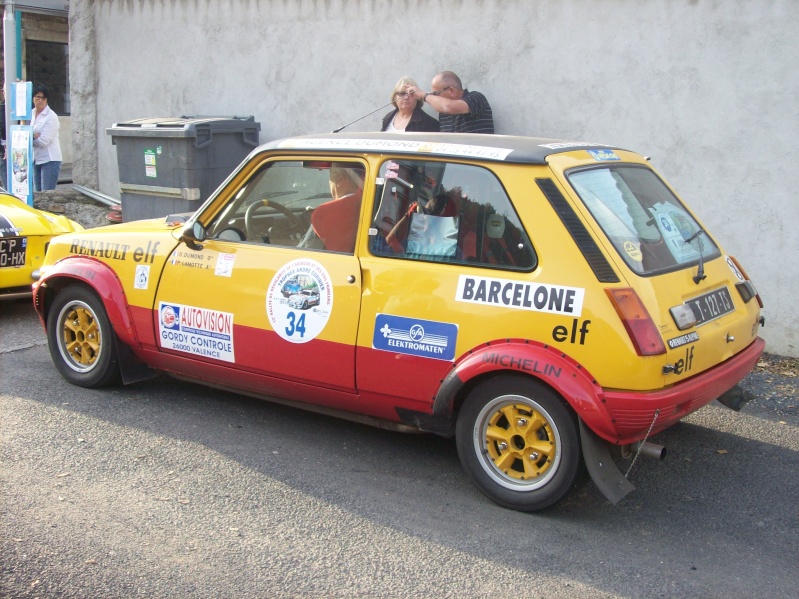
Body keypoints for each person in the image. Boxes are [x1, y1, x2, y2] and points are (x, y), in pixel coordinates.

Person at [410, 71, 494, 134]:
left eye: (435, 94)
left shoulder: (475, 97)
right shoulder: (443, 110)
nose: (434, 98)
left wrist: (423, 95)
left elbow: (449, 107)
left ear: (451, 91)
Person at [30, 84, 63, 191]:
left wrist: (30, 136)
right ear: (33, 98)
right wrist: (33, 135)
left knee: (46, 194)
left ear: (47, 100)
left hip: (50, 159)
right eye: (37, 97)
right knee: (37, 194)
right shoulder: (30, 114)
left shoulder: (51, 116)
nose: (39, 100)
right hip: (36, 158)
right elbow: (24, 133)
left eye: (43, 98)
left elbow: (43, 141)